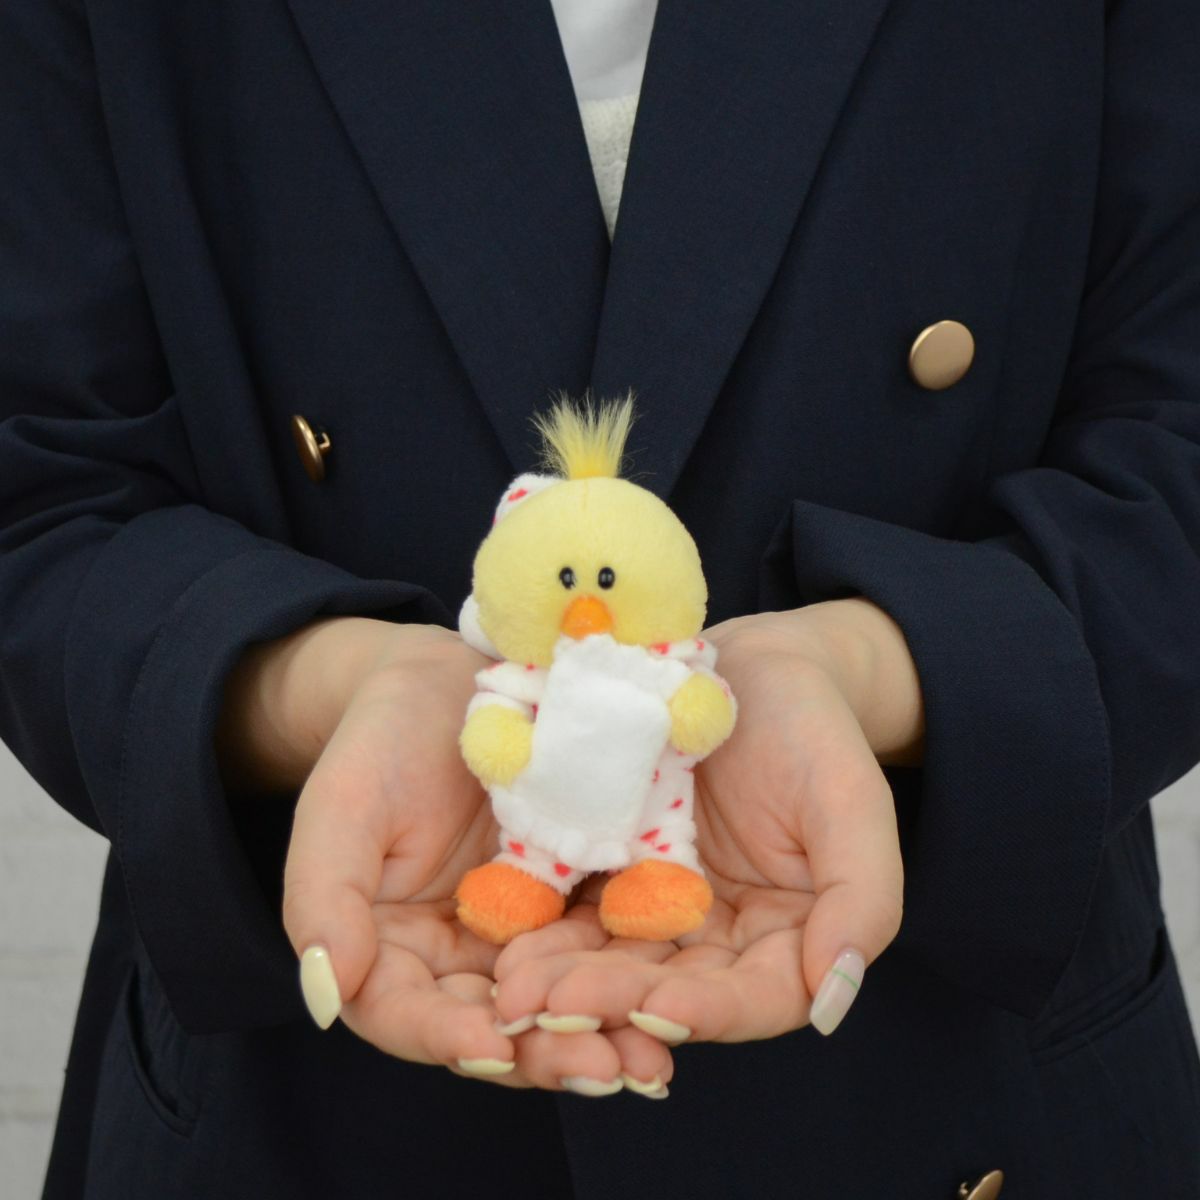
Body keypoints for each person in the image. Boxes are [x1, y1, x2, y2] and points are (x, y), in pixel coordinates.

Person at [2, 0, 1199, 1196]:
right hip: (308, 1100)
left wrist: (878, 671)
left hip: (950, 1074)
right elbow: (44, 482)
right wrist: (316, 686)